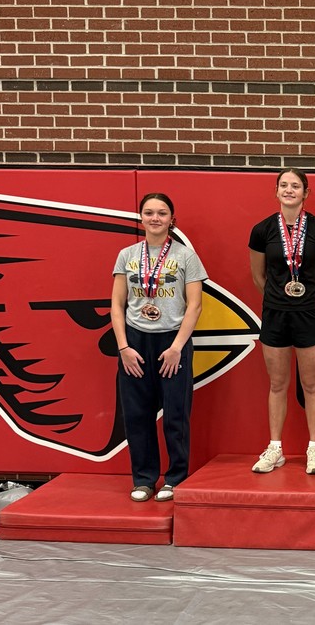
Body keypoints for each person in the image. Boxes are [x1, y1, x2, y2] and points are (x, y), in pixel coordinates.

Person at [111, 193, 206, 503]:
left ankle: (176, 477)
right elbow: (117, 303)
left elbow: (195, 305)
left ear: (171, 219)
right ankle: (144, 479)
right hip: (135, 342)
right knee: (137, 415)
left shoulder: (185, 256)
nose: (155, 218)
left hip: (172, 341)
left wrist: (178, 347)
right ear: (141, 217)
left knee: (176, 414)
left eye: (162, 213)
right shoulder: (126, 255)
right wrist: (123, 346)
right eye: (149, 212)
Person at [249, 169, 315, 475]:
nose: (289, 190)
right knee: (277, 384)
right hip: (274, 315)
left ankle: (314, 448)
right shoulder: (262, 231)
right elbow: (258, 277)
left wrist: (311, 305)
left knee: (311, 384)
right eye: (284, 185)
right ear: (276, 191)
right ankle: (276, 448)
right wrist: (279, 300)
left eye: (296, 186)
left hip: (309, 316)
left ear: (305, 193)